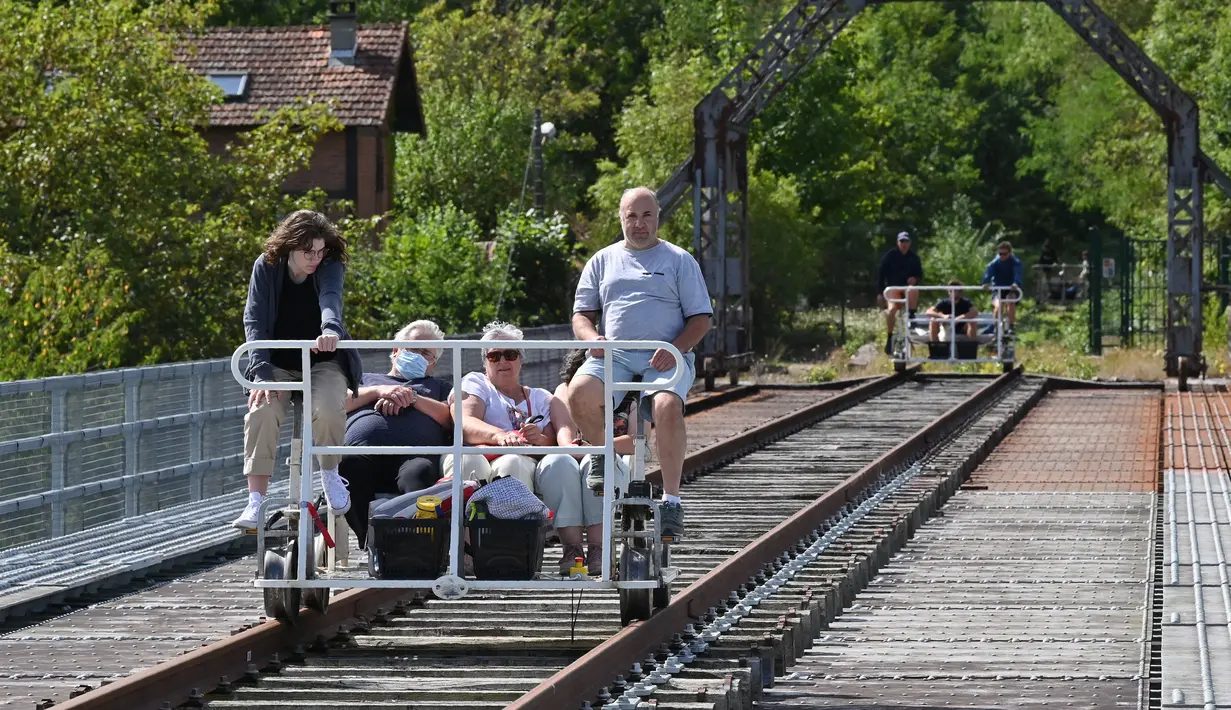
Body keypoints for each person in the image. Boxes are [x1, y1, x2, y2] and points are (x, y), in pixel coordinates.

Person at [567, 186, 713, 543]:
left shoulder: (679, 260)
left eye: (646, 215)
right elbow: (582, 315)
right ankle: (605, 454)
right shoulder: (602, 260)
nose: (639, 224)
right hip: (614, 355)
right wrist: (591, 339)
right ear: (621, 218)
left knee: (665, 405)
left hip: (664, 355)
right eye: (632, 216)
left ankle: (673, 500)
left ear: (657, 217)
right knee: (578, 393)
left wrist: (675, 347)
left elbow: (701, 319)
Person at [233, 210, 364, 531]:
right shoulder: (266, 266)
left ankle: (330, 475)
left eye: (320, 251)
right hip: (275, 363)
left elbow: (331, 299)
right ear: (289, 247)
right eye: (309, 253)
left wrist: (331, 330)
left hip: (323, 361)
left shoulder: (330, 265)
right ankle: (255, 501)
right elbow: (255, 320)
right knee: (261, 409)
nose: (316, 259)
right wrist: (261, 372)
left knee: (330, 407)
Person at [444, 321, 599, 575]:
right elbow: (465, 424)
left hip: (520, 460)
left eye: (511, 354)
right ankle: (466, 549)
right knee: (468, 461)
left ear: (521, 360)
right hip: (481, 454)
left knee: (514, 463)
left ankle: (511, 548)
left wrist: (539, 439)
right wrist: (501, 435)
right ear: (485, 362)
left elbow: (562, 438)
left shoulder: (541, 397)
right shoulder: (475, 384)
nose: (503, 360)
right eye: (494, 355)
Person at [339, 319, 453, 548]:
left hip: (414, 456)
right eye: (412, 349)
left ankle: (416, 546)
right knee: (348, 467)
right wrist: (379, 391)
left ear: (433, 363)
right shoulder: (364, 380)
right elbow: (338, 404)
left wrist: (411, 397)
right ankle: (373, 542)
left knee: (418, 474)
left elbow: (449, 418)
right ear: (396, 350)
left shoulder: (439, 386)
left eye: (426, 354)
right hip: (363, 453)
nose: (418, 356)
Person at [556, 349, 637, 492]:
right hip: (574, 455)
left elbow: (636, 442)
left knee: (594, 464)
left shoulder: (634, 396)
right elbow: (564, 426)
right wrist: (569, 446)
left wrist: (595, 448)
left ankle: (600, 514)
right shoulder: (566, 389)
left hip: (617, 457)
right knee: (560, 464)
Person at [876, 232, 924, 355]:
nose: (904, 244)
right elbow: (881, 274)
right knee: (891, 311)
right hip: (893, 289)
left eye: (906, 241)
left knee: (913, 289)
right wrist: (880, 292)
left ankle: (912, 319)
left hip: (907, 289)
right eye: (902, 242)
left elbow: (920, 275)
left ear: (910, 243)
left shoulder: (914, 258)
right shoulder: (890, 256)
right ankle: (890, 337)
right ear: (898, 243)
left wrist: (915, 279)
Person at [981, 240, 1024, 331]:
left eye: (1005, 254)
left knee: (1010, 301)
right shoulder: (996, 261)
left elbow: (1018, 273)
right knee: (998, 306)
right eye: (1000, 254)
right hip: (998, 288)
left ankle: (1011, 327)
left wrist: (1016, 283)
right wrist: (986, 282)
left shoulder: (1015, 262)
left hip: (1011, 288)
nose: (1002, 256)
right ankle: (996, 330)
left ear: (1010, 253)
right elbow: (989, 270)